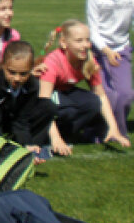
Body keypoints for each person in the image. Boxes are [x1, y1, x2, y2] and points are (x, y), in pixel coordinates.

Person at [38, 19, 130, 156]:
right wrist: (55, 139)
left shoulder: (89, 61)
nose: (85, 45)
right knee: (66, 108)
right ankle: (46, 136)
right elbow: (43, 102)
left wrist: (113, 128)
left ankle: (65, 135)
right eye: (79, 41)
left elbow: (101, 96)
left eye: (87, 40)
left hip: (62, 94)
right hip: (37, 100)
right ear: (64, 43)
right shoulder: (53, 61)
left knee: (92, 102)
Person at [85, 0, 134, 136]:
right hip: (98, 52)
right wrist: (106, 51)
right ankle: (104, 132)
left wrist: (117, 51)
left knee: (126, 95)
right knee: (108, 96)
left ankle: (116, 131)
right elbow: (93, 30)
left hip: (122, 51)